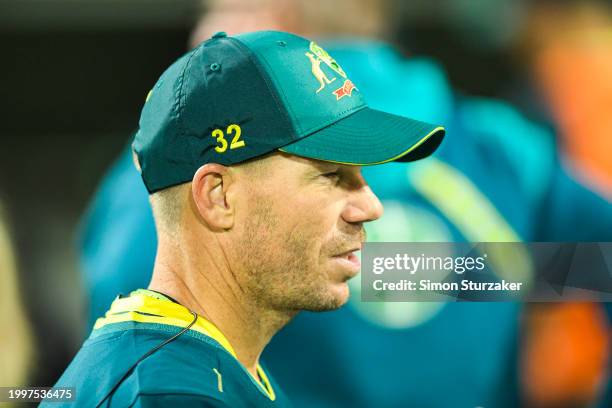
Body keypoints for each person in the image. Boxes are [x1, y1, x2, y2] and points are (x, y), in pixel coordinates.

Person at [78, 1, 612, 407]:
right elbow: (594, 264)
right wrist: (465, 275)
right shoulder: (499, 151)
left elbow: (123, 325)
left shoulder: (199, 155)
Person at [47, 30, 444, 407]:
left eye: (361, 176)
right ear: (218, 197)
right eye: (330, 175)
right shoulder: (168, 395)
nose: (370, 208)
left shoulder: (205, 365)